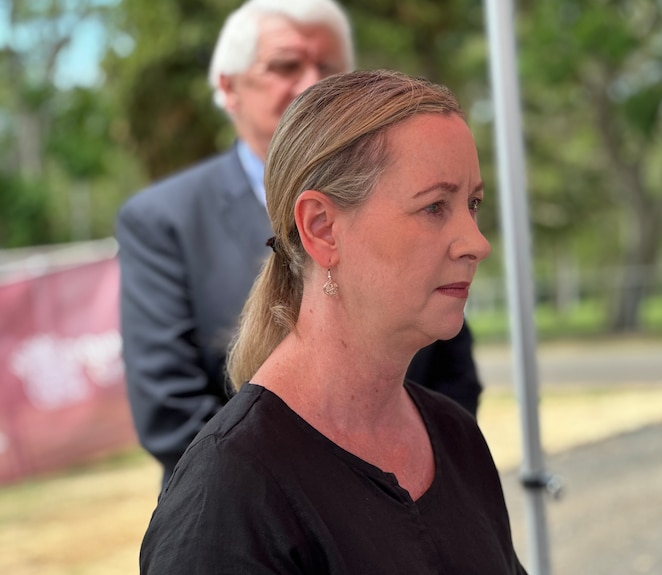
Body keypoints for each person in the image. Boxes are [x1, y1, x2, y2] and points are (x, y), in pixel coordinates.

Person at [140, 68, 524, 575]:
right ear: (322, 229)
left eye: (472, 204)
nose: (476, 242)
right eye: (434, 206)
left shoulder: (454, 436)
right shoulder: (230, 490)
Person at [115, 0, 483, 490]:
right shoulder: (164, 219)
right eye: (285, 66)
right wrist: (322, 498)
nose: (310, 81)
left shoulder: (405, 188)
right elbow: (170, 407)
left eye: (328, 68)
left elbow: (447, 362)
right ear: (228, 87)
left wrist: (419, 466)